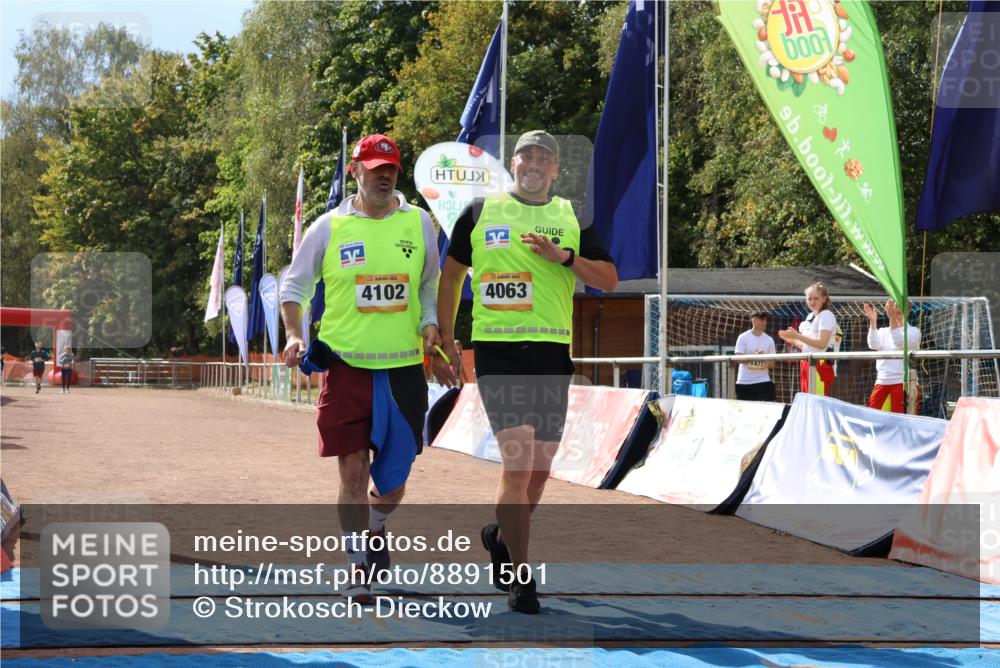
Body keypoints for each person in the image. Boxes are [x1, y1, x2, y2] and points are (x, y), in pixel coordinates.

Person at [434, 131, 618, 614]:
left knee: (540, 471)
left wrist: (566, 258)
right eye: (527, 156)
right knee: (517, 465)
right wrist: (449, 336)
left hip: (552, 353)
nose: (535, 164)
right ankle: (521, 576)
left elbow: (610, 279)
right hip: (498, 353)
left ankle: (500, 537)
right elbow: (451, 276)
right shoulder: (479, 211)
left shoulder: (571, 218)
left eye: (545, 158)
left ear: (557, 170)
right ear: (512, 164)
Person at [278, 134, 440, 603]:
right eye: (374, 167)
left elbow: (429, 283)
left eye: (390, 167)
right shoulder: (328, 227)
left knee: (393, 484)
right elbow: (294, 286)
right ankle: (356, 568)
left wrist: (429, 321)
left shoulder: (420, 223)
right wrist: (293, 334)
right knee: (351, 472)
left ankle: (376, 526)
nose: (384, 175)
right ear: (356, 171)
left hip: (404, 372)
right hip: (346, 369)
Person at [778, 282, 840, 396]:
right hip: (808, 363)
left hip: (819, 365)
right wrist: (791, 340)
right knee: (809, 402)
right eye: (809, 298)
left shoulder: (826, 315)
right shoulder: (811, 316)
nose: (812, 302)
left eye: (816, 298)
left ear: (824, 299)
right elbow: (807, 346)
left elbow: (821, 344)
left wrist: (797, 336)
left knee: (817, 403)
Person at [865, 299, 920, 413]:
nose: (896, 316)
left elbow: (899, 342)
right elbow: (873, 344)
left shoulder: (914, 331)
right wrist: (873, 323)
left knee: (901, 422)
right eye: (893, 313)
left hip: (904, 382)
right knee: (871, 416)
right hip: (882, 381)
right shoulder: (883, 331)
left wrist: (891, 319)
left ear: (908, 312)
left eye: (899, 313)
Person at [734, 312, 776, 401]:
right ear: (753, 320)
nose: (764, 322)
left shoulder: (769, 340)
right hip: (744, 381)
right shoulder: (743, 337)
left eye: (765, 320)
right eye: (762, 319)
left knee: (764, 411)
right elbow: (738, 358)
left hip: (763, 381)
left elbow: (772, 364)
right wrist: (754, 357)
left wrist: (763, 359)